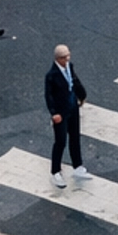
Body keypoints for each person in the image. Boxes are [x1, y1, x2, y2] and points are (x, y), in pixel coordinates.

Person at [45, 42, 89, 187]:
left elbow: (75, 81)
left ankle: (78, 166)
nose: (67, 59)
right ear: (58, 59)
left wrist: (82, 95)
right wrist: (54, 113)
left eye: (68, 55)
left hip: (72, 107)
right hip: (61, 112)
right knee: (60, 141)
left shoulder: (69, 67)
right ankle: (55, 171)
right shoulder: (52, 75)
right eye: (64, 57)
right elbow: (49, 96)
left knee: (75, 137)